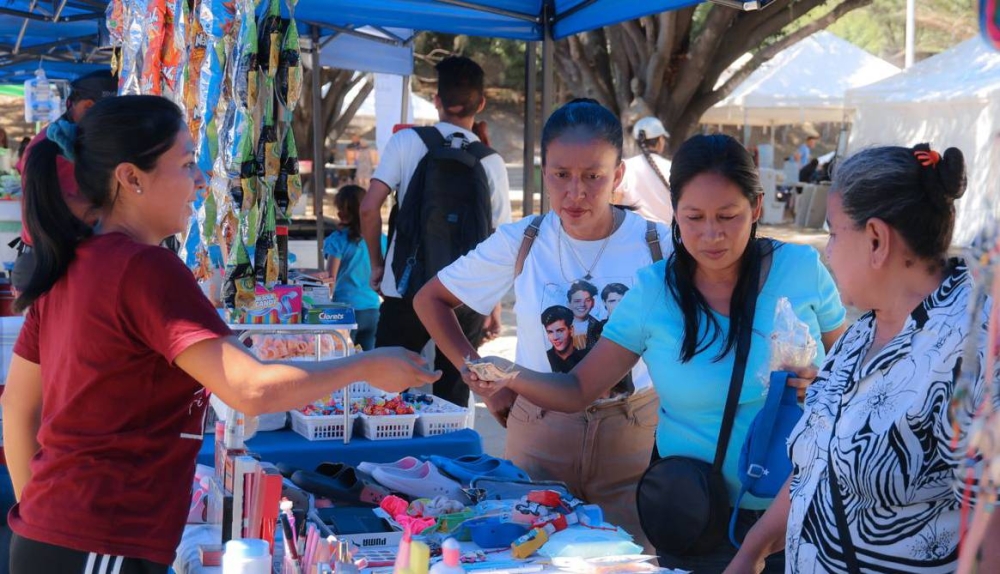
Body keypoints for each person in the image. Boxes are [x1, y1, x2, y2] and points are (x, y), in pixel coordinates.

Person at [0, 95, 437, 574]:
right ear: (130, 178)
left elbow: (17, 406)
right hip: (99, 538)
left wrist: (42, 514)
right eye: (187, 164)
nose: (201, 182)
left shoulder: (75, 261)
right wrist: (367, 365)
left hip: (60, 535)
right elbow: (250, 388)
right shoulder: (145, 269)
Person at [465, 133, 848, 573]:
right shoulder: (653, 290)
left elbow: (856, 367)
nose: (711, 234)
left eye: (728, 216)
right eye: (693, 217)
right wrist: (509, 374)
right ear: (674, 214)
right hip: (700, 518)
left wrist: (824, 380)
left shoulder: (801, 269)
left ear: (756, 207)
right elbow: (578, 388)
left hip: (804, 510)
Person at [724, 144, 994, 574]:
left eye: (833, 233)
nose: (827, 252)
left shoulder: (975, 351)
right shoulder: (860, 336)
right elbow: (814, 471)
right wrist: (750, 553)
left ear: (876, 239)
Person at [414, 98, 670, 550]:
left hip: (631, 442)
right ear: (543, 172)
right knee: (528, 555)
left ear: (617, 176)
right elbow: (430, 299)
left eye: (593, 176)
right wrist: (483, 379)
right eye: (561, 175)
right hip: (538, 436)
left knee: (631, 558)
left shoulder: (659, 245)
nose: (576, 193)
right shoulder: (523, 240)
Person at [360, 55, 510, 408]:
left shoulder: (406, 142)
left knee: (384, 390)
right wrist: (493, 303)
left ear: (437, 101)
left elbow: (369, 208)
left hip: (405, 289)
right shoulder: (491, 161)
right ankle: (447, 459)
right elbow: (500, 241)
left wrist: (378, 265)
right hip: (464, 296)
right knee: (454, 396)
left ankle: (380, 459)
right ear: (482, 103)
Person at [11, 69, 118, 295]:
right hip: (51, 264)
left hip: (45, 261)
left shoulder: (59, 139)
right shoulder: (61, 149)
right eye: (112, 117)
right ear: (87, 107)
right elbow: (87, 211)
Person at [324, 185, 386, 351]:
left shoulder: (337, 240)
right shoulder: (381, 239)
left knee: (346, 361)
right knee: (369, 363)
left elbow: (330, 279)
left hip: (345, 312)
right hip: (373, 309)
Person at [613, 116, 673, 223]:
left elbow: (616, 203)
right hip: (666, 235)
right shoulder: (672, 167)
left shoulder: (625, 167)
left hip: (631, 234)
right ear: (660, 141)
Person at [542, 305, 586, 372]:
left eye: (560, 331)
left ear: (571, 330)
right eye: (550, 332)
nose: (555, 337)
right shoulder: (543, 360)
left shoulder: (585, 359)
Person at [566, 280, 602, 350]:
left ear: (593, 302)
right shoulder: (561, 326)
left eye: (587, 300)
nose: (582, 304)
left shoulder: (600, 327)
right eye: (577, 301)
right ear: (569, 304)